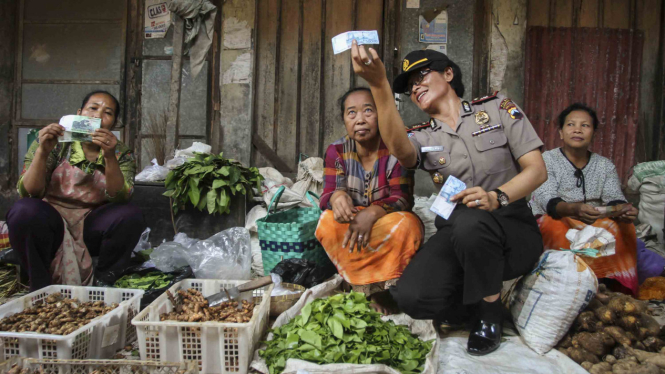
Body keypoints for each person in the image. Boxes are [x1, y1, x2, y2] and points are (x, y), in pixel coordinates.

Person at [349, 44, 547, 355]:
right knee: (413, 297)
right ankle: (478, 301)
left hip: (512, 228)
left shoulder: (497, 109)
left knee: (470, 221)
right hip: (460, 234)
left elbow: (537, 170)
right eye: (410, 86)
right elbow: (400, 149)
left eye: (421, 76)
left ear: (449, 73)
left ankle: (490, 315)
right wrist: (378, 84)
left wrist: (497, 196)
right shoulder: (422, 136)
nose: (415, 87)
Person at [6, 91, 145, 291]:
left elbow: (120, 196)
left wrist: (109, 157)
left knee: (130, 214)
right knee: (24, 210)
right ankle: (40, 288)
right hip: (51, 223)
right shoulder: (56, 142)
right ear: (79, 113)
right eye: (93, 108)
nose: (97, 116)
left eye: (107, 113)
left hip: (92, 226)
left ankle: (106, 285)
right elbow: (29, 193)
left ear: (113, 124)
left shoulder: (120, 152)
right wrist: (42, 151)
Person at [530, 103, 661, 295]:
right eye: (570, 125)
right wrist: (574, 210)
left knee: (622, 228)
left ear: (593, 133)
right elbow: (547, 199)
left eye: (585, 125)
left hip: (593, 221)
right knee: (555, 227)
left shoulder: (604, 165)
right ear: (560, 132)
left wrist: (622, 210)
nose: (577, 129)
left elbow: (614, 197)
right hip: (556, 216)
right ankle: (566, 285)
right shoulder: (547, 160)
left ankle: (611, 285)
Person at [315, 87, 424, 313]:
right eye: (351, 113)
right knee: (326, 221)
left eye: (368, 111)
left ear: (380, 114)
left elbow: (402, 198)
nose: (360, 120)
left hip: (385, 221)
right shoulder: (336, 150)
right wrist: (337, 196)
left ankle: (383, 291)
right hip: (354, 223)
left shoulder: (396, 149)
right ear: (344, 120)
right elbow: (327, 193)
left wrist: (373, 212)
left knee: (408, 225)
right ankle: (355, 285)